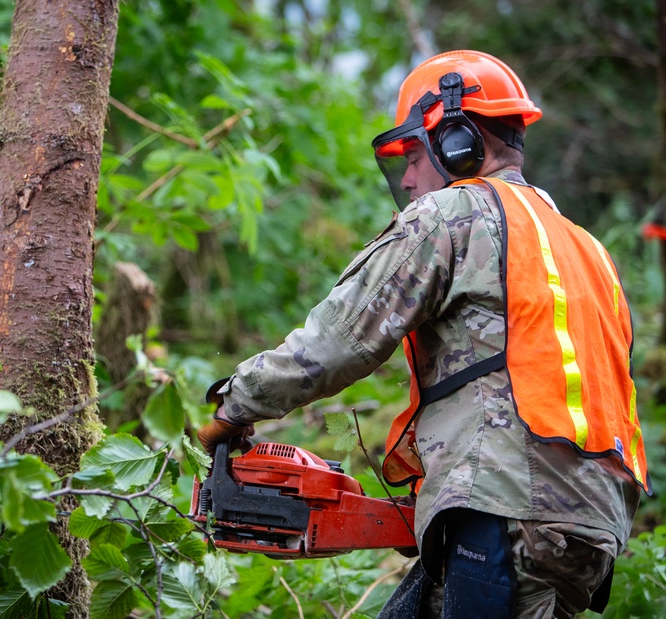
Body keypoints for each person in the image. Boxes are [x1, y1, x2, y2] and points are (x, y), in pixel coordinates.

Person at [196, 50, 650, 618]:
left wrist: (234, 407)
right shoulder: (589, 250)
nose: (408, 178)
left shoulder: (456, 213)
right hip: (591, 527)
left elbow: (339, 340)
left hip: (503, 509)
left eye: (414, 154)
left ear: (459, 143)